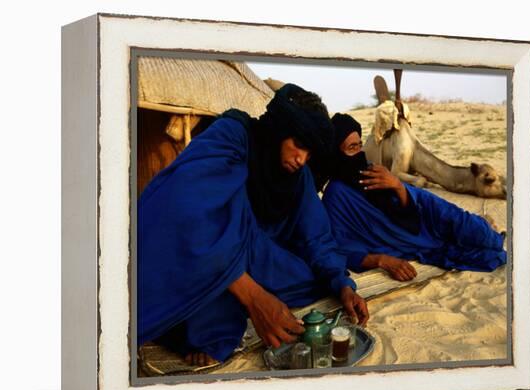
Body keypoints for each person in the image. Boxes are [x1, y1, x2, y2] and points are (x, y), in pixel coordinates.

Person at [137, 85, 368, 367]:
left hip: (255, 256)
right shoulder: (232, 137)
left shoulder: (298, 176)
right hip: (203, 251)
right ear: (279, 129)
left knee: (315, 279)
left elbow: (317, 236)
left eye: (309, 153)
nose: (301, 159)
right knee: (214, 317)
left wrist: (342, 283)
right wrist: (255, 297)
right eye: (299, 145)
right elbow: (182, 211)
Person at [320, 113, 507, 282]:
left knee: (482, 235)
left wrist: (397, 185)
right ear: (337, 153)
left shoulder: (371, 171)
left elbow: (413, 206)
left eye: (360, 145)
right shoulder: (336, 196)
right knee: (487, 255)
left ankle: (490, 233)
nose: (360, 153)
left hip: (426, 218)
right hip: (409, 242)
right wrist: (382, 260)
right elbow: (338, 248)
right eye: (352, 148)